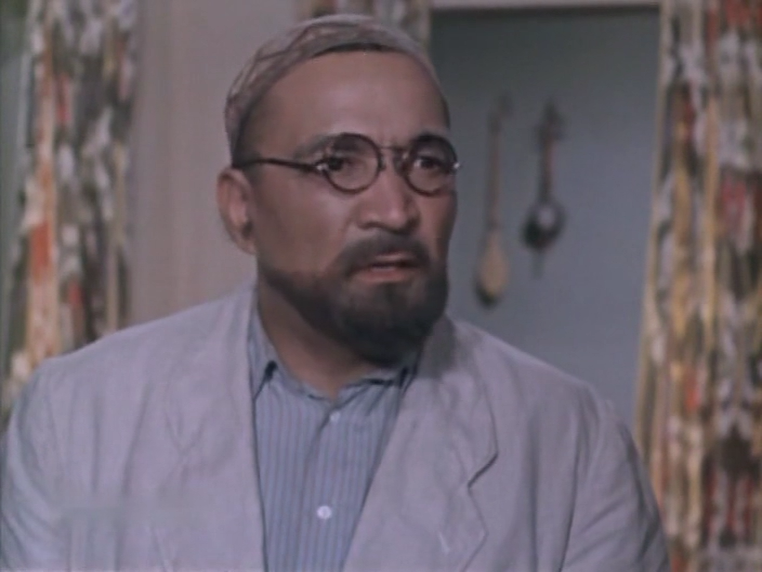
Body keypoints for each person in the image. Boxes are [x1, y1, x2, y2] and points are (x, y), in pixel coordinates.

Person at [0, 14, 669, 572]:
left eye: (426, 163)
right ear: (241, 208)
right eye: (338, 163)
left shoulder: (574, 449)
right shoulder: (77, 418)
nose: (396, 209)